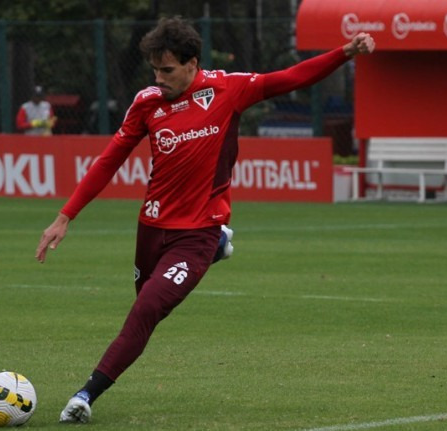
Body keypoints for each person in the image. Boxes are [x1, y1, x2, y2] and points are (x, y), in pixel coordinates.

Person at [35, 17, 375, 424]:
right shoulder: (147, 103)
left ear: (192, 63)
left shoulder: (227, 89)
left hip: (199, 229)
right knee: (144, 303)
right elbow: (109, 160)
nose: (159, 79)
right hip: (153, 228)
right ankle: (217, 249)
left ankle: (86, 395)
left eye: (168, 70)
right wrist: (64, 217)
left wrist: (344, 53)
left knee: (147, 310)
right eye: (155, 70)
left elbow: (290, 78)